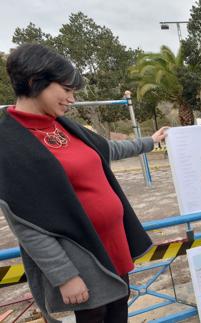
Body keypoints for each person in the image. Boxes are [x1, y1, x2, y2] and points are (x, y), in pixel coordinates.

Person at [0, 43, 168, 323]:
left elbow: (108, 150)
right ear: (33, 82)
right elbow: (25, 224)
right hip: (78, 251)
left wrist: (151, 142)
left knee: (119, 309)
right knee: (95, 314)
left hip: (112, 242)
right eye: (66, 90)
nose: (72, 99)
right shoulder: (9, 143)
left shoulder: (64, 125)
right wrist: (64, 276)